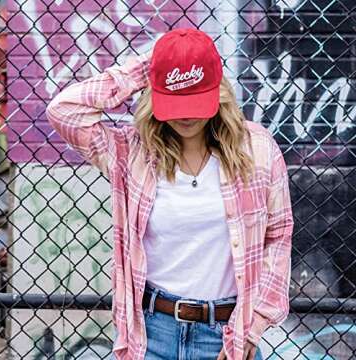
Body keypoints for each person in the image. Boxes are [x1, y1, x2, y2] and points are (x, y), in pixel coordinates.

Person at [46, 28, 293, 360]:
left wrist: (253, 326)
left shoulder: (257, 149)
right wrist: (150, 67)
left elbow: (278, 235)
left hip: (225, 338)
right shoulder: (130, 153)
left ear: (218, 93)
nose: (187, 116)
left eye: (196, 101)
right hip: (151, 336)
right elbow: (64, 110)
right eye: (176, 102)